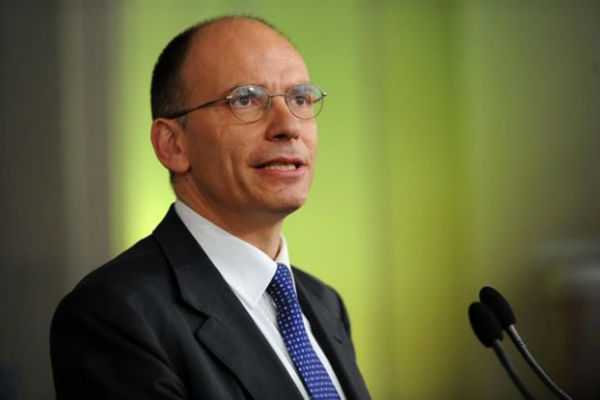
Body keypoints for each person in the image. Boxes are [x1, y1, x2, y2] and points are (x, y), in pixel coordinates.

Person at [50, 15, 370, 400]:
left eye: (300, 98)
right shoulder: (115, 315)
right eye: (246, 99)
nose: (288, 126)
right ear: (173, 144)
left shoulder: (324, 304)